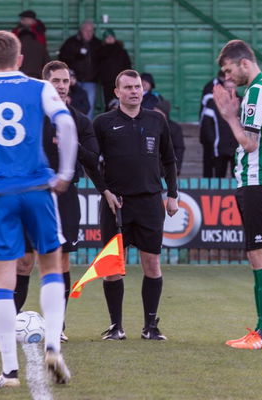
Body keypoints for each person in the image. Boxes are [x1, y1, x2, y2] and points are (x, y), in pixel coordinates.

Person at [0, 30, 76, 388]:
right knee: (51, 267)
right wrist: (64, 172)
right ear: (21, 59)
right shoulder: (40, 87)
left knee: (2, 282)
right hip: (38, 189)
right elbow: (65, 123)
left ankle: (9, 371)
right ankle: (53, 344)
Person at [0, 60, 105, 344]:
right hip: (32, 194)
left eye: (66, 81)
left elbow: (93, 159)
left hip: (65, 198)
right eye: (56, 81)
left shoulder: (79, 121)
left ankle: (57, 326)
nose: (62, 86)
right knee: (25, 261)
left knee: (60, 261)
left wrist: (69, 141)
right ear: (46, 83)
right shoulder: (30, 117)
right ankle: (5, 327)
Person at [93, 69, 178, 341]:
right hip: (116, 204)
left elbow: (169, 160)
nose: (134, 91)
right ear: (117, 92)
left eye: (137, 86)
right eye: (128, 87)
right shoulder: (103, 122)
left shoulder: (156, 120)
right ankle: (115, 326)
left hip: (150, 202)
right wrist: (104, 190)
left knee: (152, 263)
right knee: (112, 267)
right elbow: (92, 162)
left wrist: (172, 194)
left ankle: (150, 326)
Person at [213, 39, 262, 350]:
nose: (228, 78)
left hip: (259, 182)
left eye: (229, 70)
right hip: (258, 182)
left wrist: (229, 116)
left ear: (244, 63)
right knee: (257, 254)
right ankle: (261, 330)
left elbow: (250, 143)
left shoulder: (256, 91)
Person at [199, 73, 240, 178]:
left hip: (238, 148)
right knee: (219, 178)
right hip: (219, 147)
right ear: (223, 88)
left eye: (232, 87)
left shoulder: (243, 102)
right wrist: (213, 142)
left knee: (238, 178)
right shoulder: (213, 103)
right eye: (227, 87)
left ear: (236, 87)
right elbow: (207, 125)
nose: (230, 90)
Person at [59, 20, 101, 118]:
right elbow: (62, 58)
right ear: (81, 30)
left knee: (88, 108)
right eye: (86, 30)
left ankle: (86, 131)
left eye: (91, 31)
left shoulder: (97, 44)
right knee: (71, 106)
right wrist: (76, 58)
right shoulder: (71, 42)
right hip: (73, 81)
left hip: (91, 81)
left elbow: (103, 62)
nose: (89, 33)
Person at [96, 29, 132, 109]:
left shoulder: (121, 51)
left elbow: (127, 65)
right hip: (107, 84)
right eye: (107, 37)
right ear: (104, 39)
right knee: (109, 105)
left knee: (121, 104)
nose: (109, 38)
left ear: (114, 38)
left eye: (111, 37)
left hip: (120, 83)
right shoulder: (100, 52)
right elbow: (97, 66)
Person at [154, 100, 185, 176]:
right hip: (152, 168)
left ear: (165, 114)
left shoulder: (175, 128)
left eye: (158, 112)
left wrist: (176, 167)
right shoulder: (149, 126)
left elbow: (179, 148)